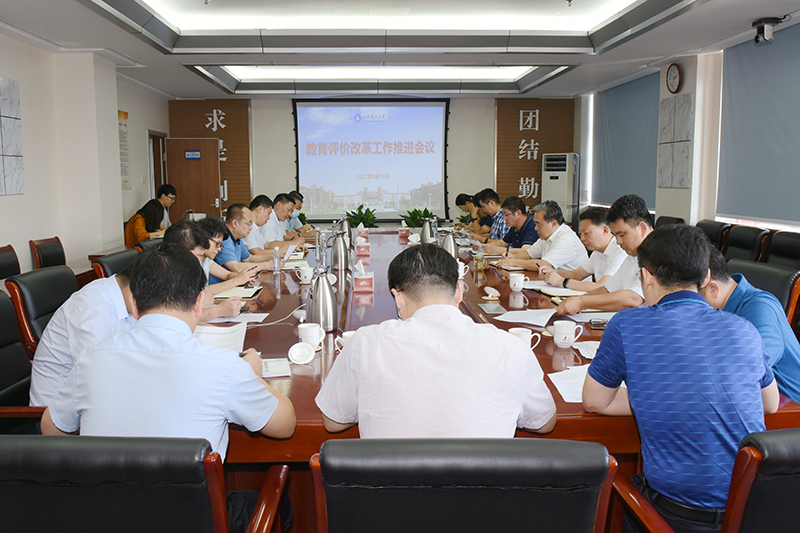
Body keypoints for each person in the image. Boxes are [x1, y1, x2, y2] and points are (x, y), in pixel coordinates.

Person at [42, 244, 296, 533]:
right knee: (281, 501)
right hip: (193, 521)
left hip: (107, 518)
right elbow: (284, 425)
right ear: (199, 303)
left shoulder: (90, 358)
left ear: (133, 302)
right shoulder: (225, 366)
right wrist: (252, 374)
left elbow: (52, 428)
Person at [582, 224, 778, 533]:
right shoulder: (744, 329)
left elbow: (595, 401)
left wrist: (655, 395)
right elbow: (770, 403)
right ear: (706, 277)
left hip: (675, 519)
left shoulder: (628, 324)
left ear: (646, 276)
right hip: (753, 512)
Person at [315, 244, 557, 438]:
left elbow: (334, 422)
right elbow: (544, 424)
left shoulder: (365, 343)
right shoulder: (511, 347)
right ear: (459, 291)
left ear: (398, 299)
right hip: (482, 487)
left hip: (390, 487)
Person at [700, 246, 800, 403]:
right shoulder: (716, 309)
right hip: (750, 399)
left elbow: (754, 365)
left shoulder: (760, 306)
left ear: (712, 288)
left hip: (789, 406)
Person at [29, 266, 136, 407]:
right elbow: (97, 380)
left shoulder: (123, 297)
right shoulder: (93, 310)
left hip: (92, 399)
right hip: (56, 412)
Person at [554, 194, 653, 315]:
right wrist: (576, 300)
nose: (618, 241)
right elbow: (607, 289)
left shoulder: (658, 254)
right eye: (615, 235)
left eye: (622, 235)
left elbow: (633, 299)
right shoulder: (632, 255)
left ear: (642, 228)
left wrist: (582, 302)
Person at [163, 221, 258, 320]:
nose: (199, 262)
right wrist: (218, 309)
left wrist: (243, 278)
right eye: (217, 244)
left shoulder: (203, 261)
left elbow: (207, 292)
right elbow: (185, 311)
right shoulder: (171, 274)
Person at [539, 206, 627, 292]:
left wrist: (562, 282)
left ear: (605, 231)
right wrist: (553, 272)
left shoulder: (620, 252)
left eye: (586, 233)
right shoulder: (597, 252)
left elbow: (601, 287)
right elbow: (576, 274)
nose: (582, 239)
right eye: (581, 234)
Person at [499, 200, 587, 273]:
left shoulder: (566, 239)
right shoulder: (546, 236)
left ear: (553, 223)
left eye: (539, 224)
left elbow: (542, 265)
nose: (535, 228)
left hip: (571, 287)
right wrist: (512, 257)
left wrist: (513, 262)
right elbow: (528, 254)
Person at [211, 204, 276, 284]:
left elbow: (249, 258)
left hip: (233, 283)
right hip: (221, 286)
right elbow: (236, 267)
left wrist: (273, 257)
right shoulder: (224, 238)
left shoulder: (237, 237)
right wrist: (267, 265)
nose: (251, 227)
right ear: (235, 223)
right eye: (249, 223)